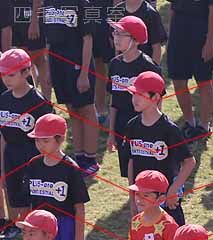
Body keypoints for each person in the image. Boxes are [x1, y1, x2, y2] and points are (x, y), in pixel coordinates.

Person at [124, 71, 197, 226]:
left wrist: (173, 190)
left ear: (155, 97)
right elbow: (131, 162)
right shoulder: (132, 126)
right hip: (143, 200)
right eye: (133, 94)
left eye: (140, 94)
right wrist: (132, 197)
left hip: (166, 201)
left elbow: (189, 162)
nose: (135, 99)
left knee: (172, 237)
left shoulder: (169, 129)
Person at [26, 114, 90, 240]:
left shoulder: (71, 169)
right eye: (37, 140)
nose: (40, 145)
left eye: (45, 141)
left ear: (60, 139)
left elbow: (79, 209)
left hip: (65, 227)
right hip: (41, 226)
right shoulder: (33, 165)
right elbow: (31, 204)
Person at [0, 49, 53, 239]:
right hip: (11, 153)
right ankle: (20, 228)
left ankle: (37, 229)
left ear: (26, 72)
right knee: (15, 194)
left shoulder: (38, 102)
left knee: (33, 195)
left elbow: (51, 136)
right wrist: (2, 165)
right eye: (3, 74)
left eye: (11, 74)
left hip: (33, 154)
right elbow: (3, 136)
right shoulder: (3, 99)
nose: (6, 79)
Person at [43, 0, 100, 176]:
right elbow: (48, 40)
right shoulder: (48, 3)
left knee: (86, 109)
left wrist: (84, 73)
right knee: (72, 110)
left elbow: (88, 39)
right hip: (57, 63)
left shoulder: (83, 4)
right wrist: (49, 69)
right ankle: (79, 156)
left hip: (77, 62)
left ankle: (91, 159)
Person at [106, 16, 161, 180]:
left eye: (121, 34)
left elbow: (158, 99)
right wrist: (111, 132)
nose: (116, 38)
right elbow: (114, 101)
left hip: (143, 126)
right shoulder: (114, 64)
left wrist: (154, 129)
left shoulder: (148, 66)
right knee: (128, 170)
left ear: (135, 40)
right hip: (121, 125)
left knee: (146, 171)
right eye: (115, 33)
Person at [167, 0, 213, 136]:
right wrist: (170, 37)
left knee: (204, 80)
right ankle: (189, 122)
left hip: (201, 35)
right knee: (178, 80)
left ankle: (204, 125)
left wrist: (209, 42)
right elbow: (172, 8)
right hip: (178, 34)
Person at [11, 0, 52, 100]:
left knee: (40, 60)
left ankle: (46, 102)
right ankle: (30, 99)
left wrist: (34, 22)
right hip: (15, 16)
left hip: (30, 15)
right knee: (23, 63)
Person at [112, 0, 168, 64]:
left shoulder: (150, 13)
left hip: (144, 65)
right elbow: (116, 44)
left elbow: (156, 47)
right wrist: (117, 64)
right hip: (123, 64)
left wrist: (153, 68)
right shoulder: (117, 11)